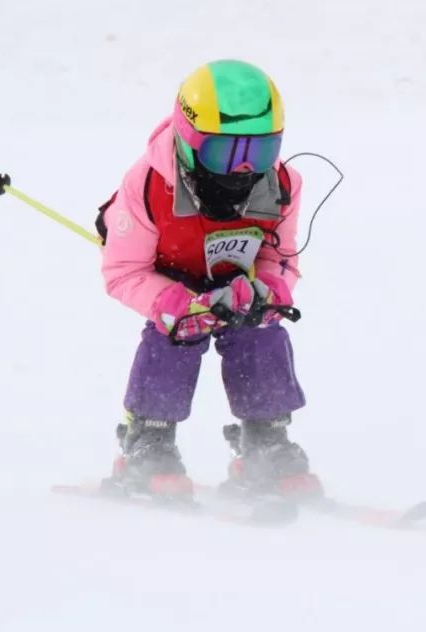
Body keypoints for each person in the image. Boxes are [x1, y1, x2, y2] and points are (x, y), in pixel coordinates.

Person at [95, 59, 320, 501]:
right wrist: (175, 304)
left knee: (260, 332)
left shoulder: (282, 186)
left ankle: (266, 441)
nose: (242, 170)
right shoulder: (146, 185)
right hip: (170, 281)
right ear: (189, 140)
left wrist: (269, 290)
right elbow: (123, 271)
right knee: (175, 337)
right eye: (225, 153)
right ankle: (149, 440)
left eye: (258, 152)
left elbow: (280, 257)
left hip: (238, 285)